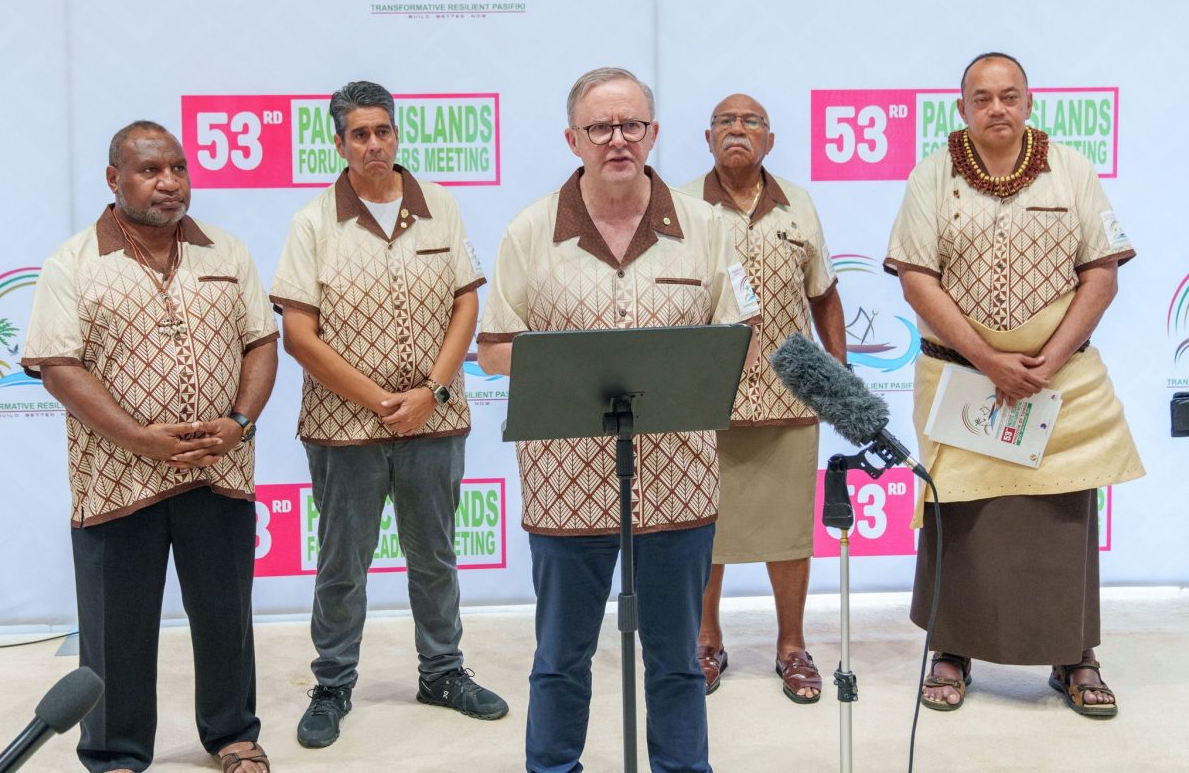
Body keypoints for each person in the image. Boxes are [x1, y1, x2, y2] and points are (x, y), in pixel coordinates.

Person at [477, 67, 760, 773]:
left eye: (631, 124)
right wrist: (572, 365)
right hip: (564, 486)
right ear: (573, 138)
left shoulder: (709, 230)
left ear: (653, 133)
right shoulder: (528, 231)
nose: (616, 140)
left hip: (678, 484)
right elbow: (492, 347)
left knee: (676, 660)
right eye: (600, 127)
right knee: (560, 659)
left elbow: (739, 336)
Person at [883, 52, 1145, 716]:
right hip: (962, 381)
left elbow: (1103, 274)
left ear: (1029, 102)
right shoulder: (931, 175)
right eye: (981, 97)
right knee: (963, 519)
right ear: (962, 107)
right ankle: (951, 653)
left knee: (1061, 520)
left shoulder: (1075, 171)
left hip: (1060, 383)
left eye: (1008, 96)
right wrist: (989, 362)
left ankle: (1074, 657)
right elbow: (917, 277)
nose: (995, 108)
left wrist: (1045, 363)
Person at [21, 122, 278, 773]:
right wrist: (139, 438)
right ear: (114, 179)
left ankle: (233, 736)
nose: (170, 182)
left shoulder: (228, 252)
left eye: (179, 169)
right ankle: (113, 753)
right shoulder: (74, 263)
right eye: (150, 170)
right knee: (116, 633)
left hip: (218, 475)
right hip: (116, 484)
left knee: (226, 620)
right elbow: (59, 366)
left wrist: (239, 423)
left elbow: (260, 343)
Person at [271, 80, 507, 749]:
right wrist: (380, 402)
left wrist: (430, 391)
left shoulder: (442, 209)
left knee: (434, 555)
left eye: (384, 131)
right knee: (343, 562)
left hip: (433, 415)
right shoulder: (313, 222)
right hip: (344, 427)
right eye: (360, 134)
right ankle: (333, 684)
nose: (374, 144)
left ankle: (443, 671)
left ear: (397, 134)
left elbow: (467, 305)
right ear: (339, 142)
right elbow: (299, 335)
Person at [682, 93, 846, 703]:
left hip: (789, 393)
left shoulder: (797, 204)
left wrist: (840, 378)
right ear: (707, 137)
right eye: (725, 121)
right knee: (704, 529)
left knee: (788, 531)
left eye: (751, 122)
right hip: (707, 397)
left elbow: (823, 293)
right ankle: (705, 640)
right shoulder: (679, 206)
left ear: (770, 141)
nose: (737, 130)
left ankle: (792, 646)